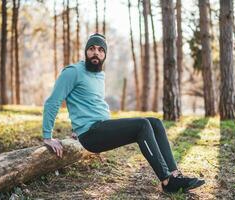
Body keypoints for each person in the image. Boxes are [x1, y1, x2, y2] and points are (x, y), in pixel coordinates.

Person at [42, 33, 205, 193]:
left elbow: (89, 106)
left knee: (155, 123)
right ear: (86, 51)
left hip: (99, 129)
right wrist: (48, 136)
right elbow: (52, 102)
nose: (96, 53)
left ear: (104, 54)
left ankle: (175, 175)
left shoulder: (99, 75)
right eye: (91, 48)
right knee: (142, 125)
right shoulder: (72, 72)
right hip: (91, 135)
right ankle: (167, 181)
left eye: (100, 50)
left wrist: (76, 129)